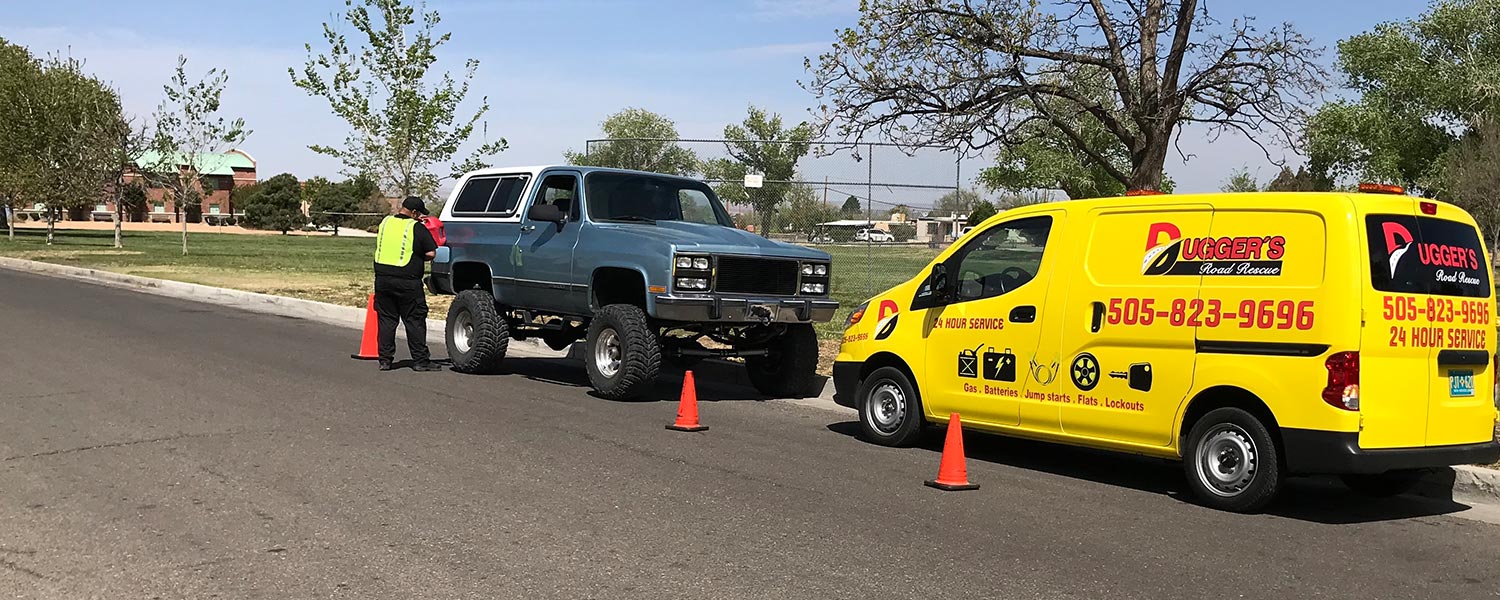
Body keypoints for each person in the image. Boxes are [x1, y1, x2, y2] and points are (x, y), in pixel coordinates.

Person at [373, 197, 441, 371]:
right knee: (414, 320)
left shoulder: (385, 222)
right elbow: (431, 253)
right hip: (407, 282)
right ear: (414, 213)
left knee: (387, 320)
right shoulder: (416, 227)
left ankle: (385, 360)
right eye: (419, 215)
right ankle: (420, 361)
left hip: (382, 279)